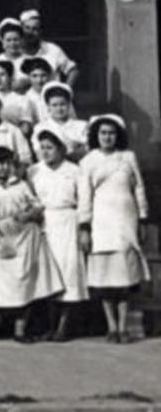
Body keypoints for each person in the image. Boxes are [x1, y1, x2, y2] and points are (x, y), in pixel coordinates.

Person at [0, 145, 60, 342]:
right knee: (5, 286)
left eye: (7, 164)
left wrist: (28, 214)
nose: (3, 168)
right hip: (3, 239)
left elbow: (37, 205)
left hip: (27, 237)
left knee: (26, 282)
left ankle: (20, 330)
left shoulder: (20, 184)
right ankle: (2, 326)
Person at [79, 114, 150, 344]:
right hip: (102, 223)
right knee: (105, 280)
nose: (107, 137)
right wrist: (85, 227)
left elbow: (138, 188)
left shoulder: (128, 157)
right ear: (95, 136)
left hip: (125, 222)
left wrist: (143, 219)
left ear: (117, 135)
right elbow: (85, 197)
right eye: (102, 133)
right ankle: (111, 327)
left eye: (111, 133)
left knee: (125, 278)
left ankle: (123, 327)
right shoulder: (88, 161)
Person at [28, 128, 88, 340]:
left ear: (62, 149)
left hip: (68, 223)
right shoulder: (34, 171)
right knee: (48, 274)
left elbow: (84, 201)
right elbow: (30, 198)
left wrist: (83, 228)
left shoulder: (74, 170)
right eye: (42, 148)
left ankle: (64, 325)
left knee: (68, 273)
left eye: (50, 148)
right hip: (44, 223)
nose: (46, 152)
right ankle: (50, 325)